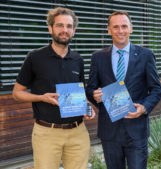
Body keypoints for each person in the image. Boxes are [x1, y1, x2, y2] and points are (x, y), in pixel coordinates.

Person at [12, 7, 95, 169]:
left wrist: (87, 107)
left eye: (69, 26)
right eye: (60, 25)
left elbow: (79, 92)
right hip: (47, 133)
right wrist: (41, 97)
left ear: (74, 31)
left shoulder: (78, 59)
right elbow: (17, 93)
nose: (65, 30)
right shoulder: (35, 57)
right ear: (50, 28)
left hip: (78, 132)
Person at [86, 11, 161, 169]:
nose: (120, 31)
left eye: (124, 26)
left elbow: (156, 89)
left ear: (131, 28)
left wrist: (144, 108)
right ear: (109, 30)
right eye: (116, 27)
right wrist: (95, 95)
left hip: (136, 129)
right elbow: (91, 88)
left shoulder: (146, 55)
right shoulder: (97, 57)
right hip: (109, 131)